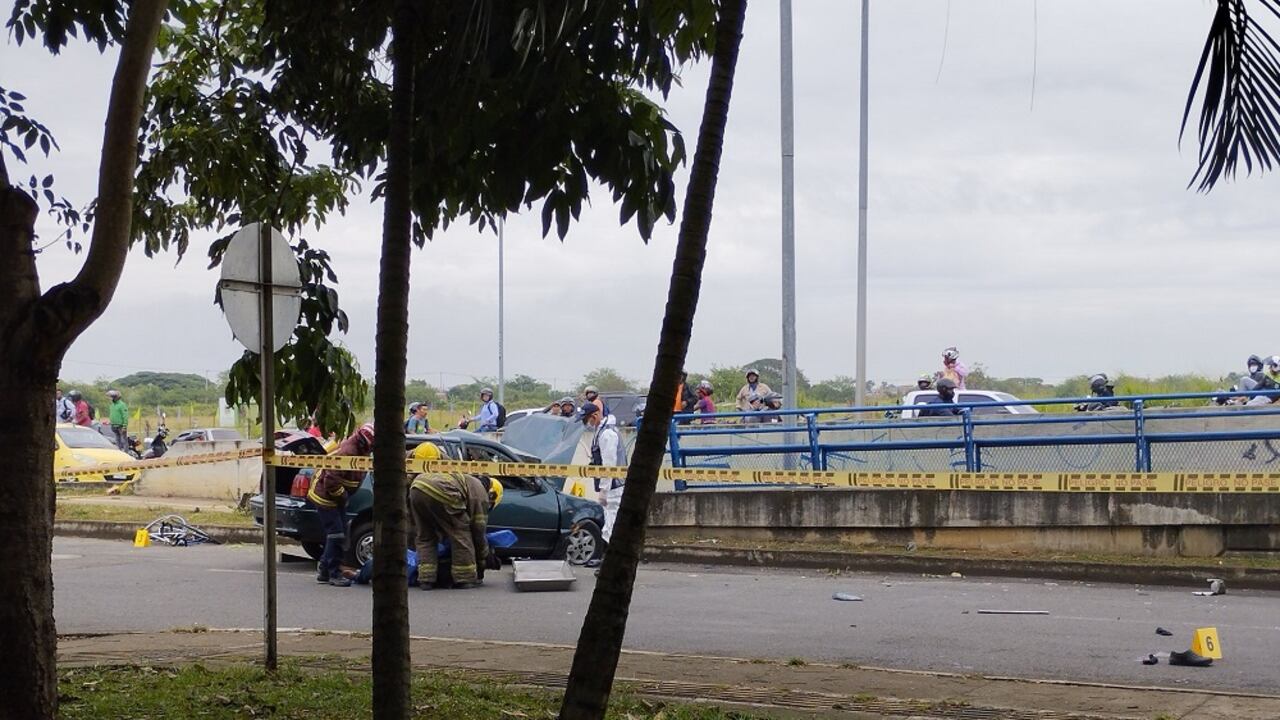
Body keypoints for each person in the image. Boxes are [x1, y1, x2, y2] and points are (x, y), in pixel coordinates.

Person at [408, 441, 500, 590]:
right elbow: (478, 530)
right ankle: (464, 578)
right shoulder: (479, 492)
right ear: (491, 494)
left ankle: (426, 579)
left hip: (416, 488)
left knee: (425, 536)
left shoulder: (463, 478)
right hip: (441, 489)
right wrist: (485, 555)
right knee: (461, 533)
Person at [306, 423, 375, 587]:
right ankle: (333, 573)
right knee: (336, 534)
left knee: (341, 533)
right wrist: (343, 497)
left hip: (336, 498)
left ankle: (324, 570)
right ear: (363, 442)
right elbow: (330, 480)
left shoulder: (360, 450)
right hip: (326, 497)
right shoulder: (347, 452)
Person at [582, 404, 624, 565]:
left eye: (588, 419)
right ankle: (607, 560)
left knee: (612, 523)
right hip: (612, 484)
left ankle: (610, 561)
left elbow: (609, 463)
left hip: (614, 485)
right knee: (609, 521)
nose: (588, 423)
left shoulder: (607, 434)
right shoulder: (602, 430)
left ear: (595, 415)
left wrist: (604, 490)